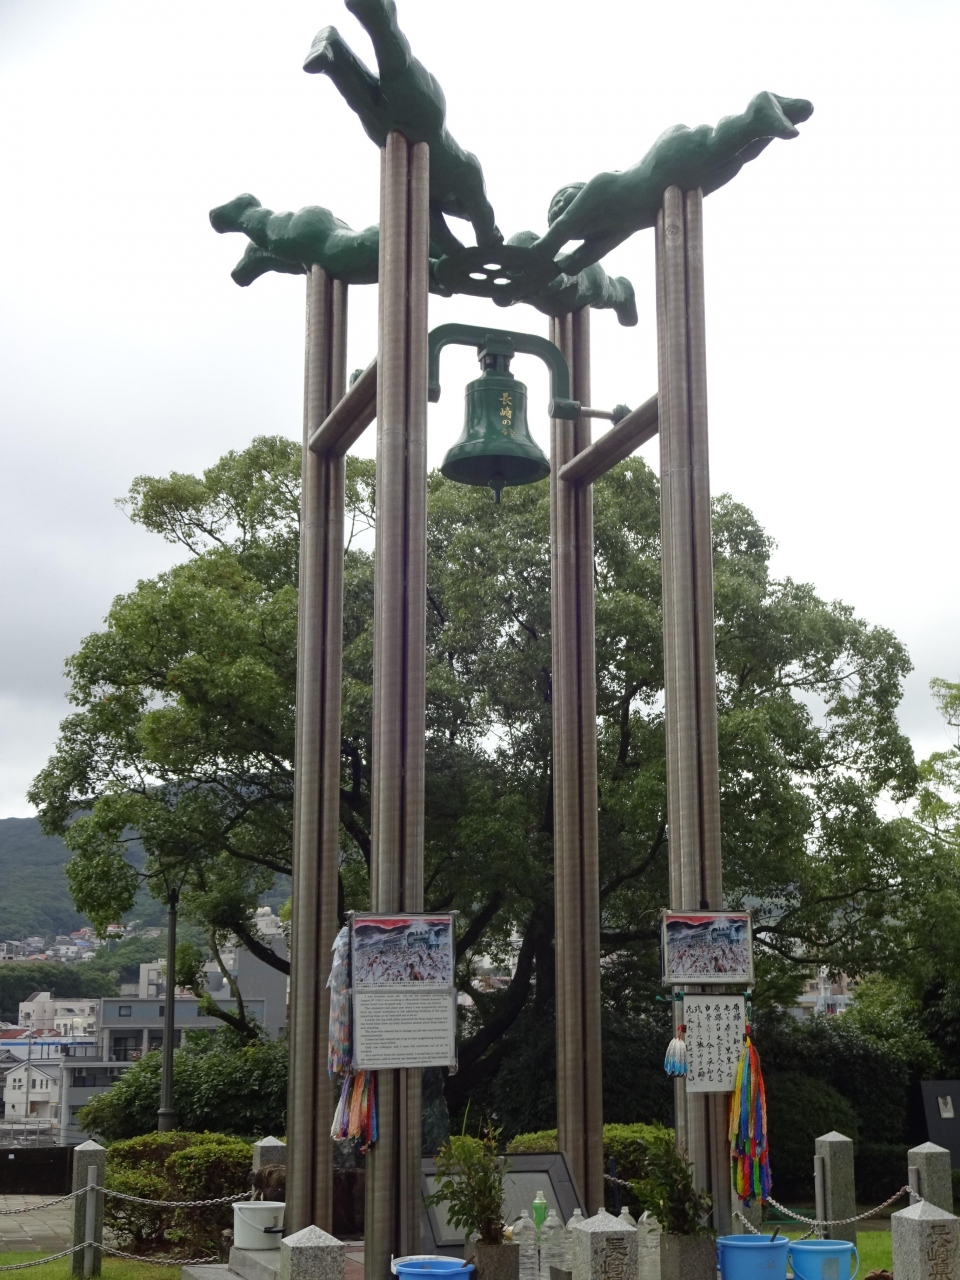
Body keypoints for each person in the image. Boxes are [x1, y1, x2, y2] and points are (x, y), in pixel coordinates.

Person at [532, 91, 813, 275]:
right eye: (552, 213)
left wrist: (536, 254)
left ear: (580, 190)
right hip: (681, 189)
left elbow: (564, 225)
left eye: (559, 200)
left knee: (714, 145)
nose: (555, 211)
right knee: (737, 158)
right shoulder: (619, 227)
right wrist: (550, 272)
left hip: (665, 162)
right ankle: (777, 115)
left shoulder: (602, 185)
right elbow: (579, 260)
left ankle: (757, 111)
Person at [303, 0, 501, 254]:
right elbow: (483, 216)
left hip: (396, 137)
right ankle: (377, 12)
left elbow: (435, 230)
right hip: (426, 123)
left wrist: (460, 256)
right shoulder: (467, 170)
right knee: (397, 73)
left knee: (363, 99)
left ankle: (332, 48)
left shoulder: (425, 191)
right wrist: (489, 242)